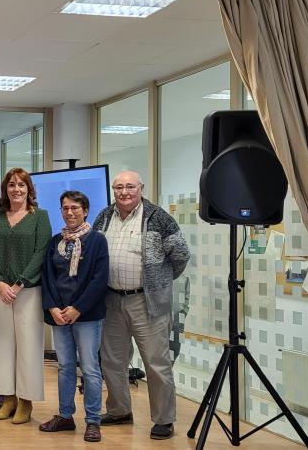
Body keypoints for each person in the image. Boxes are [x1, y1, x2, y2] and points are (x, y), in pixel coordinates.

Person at [93, 170, 190, 440]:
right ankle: (119, 411)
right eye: (119, 187)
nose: (124, 192)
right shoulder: (103, 216)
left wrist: (159, 282)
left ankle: (163, 420)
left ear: (141, 188)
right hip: (111, 299)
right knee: (113, 361)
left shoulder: (159, 218)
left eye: (130, 187)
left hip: (147, 302)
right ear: (113, 190)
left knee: (156, 363)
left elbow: (181, 255)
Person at [39, 191, 109, 443]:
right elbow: (47, 277)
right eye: (65, 208)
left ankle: (93, 421)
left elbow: (99, 280)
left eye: (75, 208)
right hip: (59, 315)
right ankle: (66, 416)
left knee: (89, 368)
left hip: (87, 315)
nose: (70, 212)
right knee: (66, 367)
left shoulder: (97, 241)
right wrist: (52, 308)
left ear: (86, 210)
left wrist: (78, 307)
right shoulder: (55, 241)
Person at [0, 167, 51, 425]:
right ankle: (8, 398)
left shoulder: (40, 217)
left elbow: (41, 252)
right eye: (11, 185)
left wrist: (20, 283)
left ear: (29, 189)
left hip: (28, 291)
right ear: (5, 189)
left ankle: (26, 401)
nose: (16, 189)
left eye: (21, 185)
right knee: (1, 345)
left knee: (28, 347)